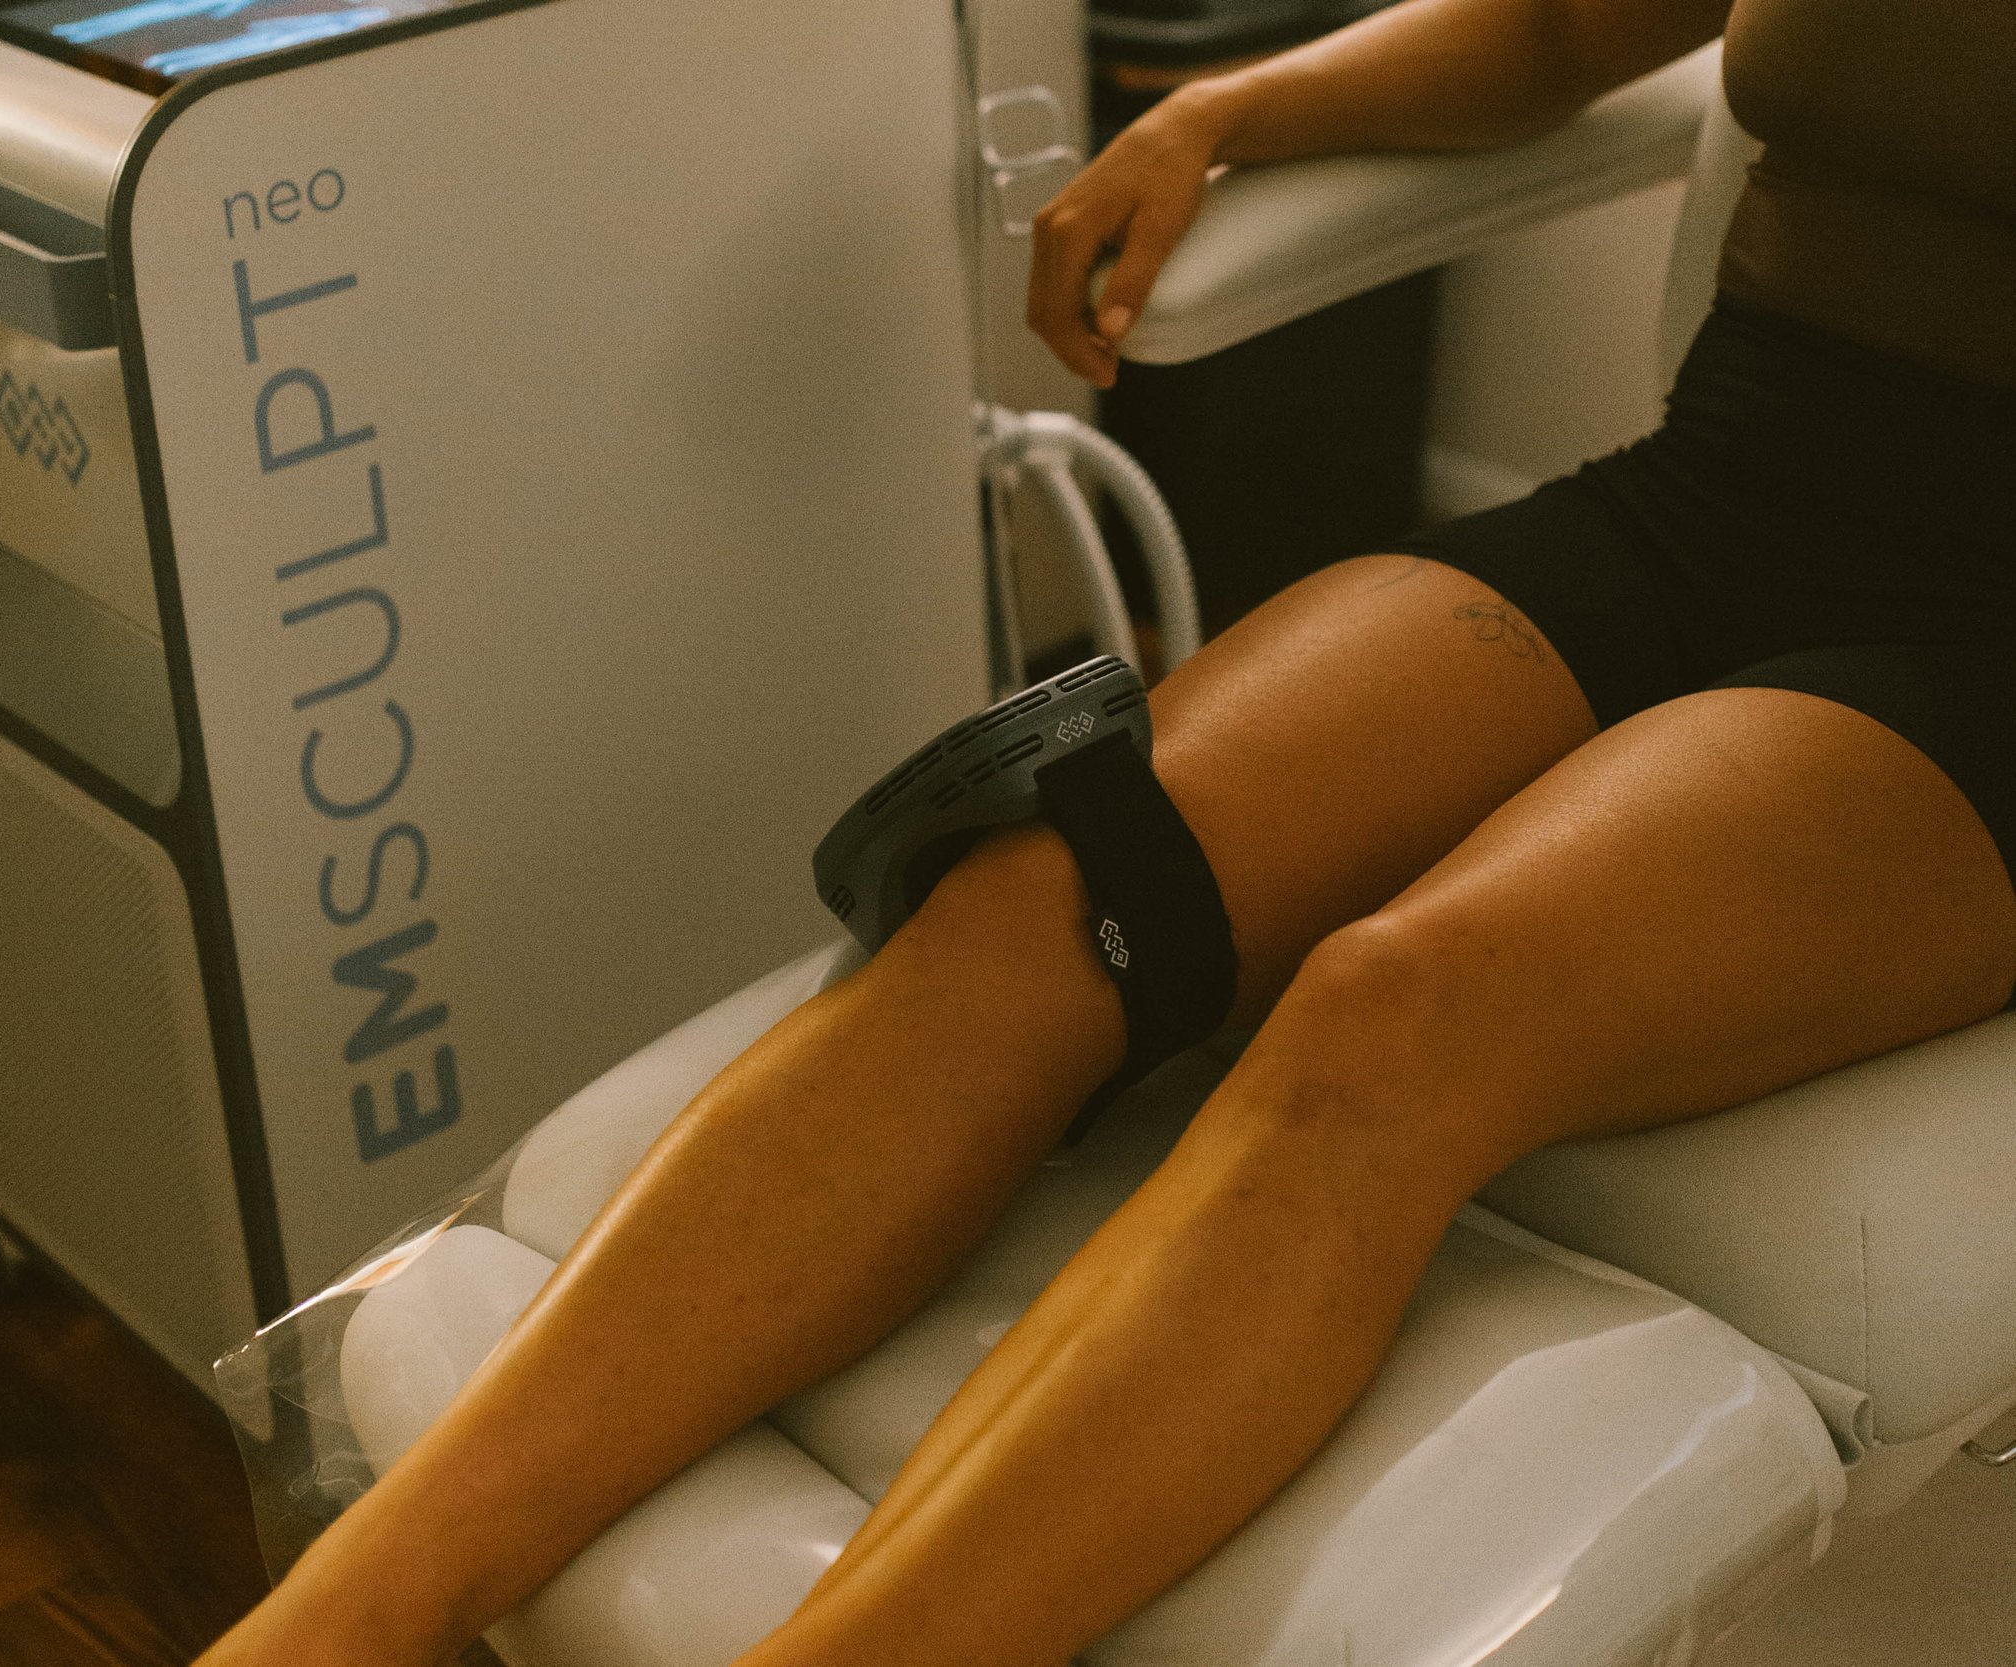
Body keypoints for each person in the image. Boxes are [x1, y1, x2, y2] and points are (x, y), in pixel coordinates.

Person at [202, 1, 2016, 1661]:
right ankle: (332, 1626)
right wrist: (1227, 112)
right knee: (1048, 898)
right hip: (1729, 483)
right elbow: (1553, 27)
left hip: (1988, 641)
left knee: (1402, 1008)